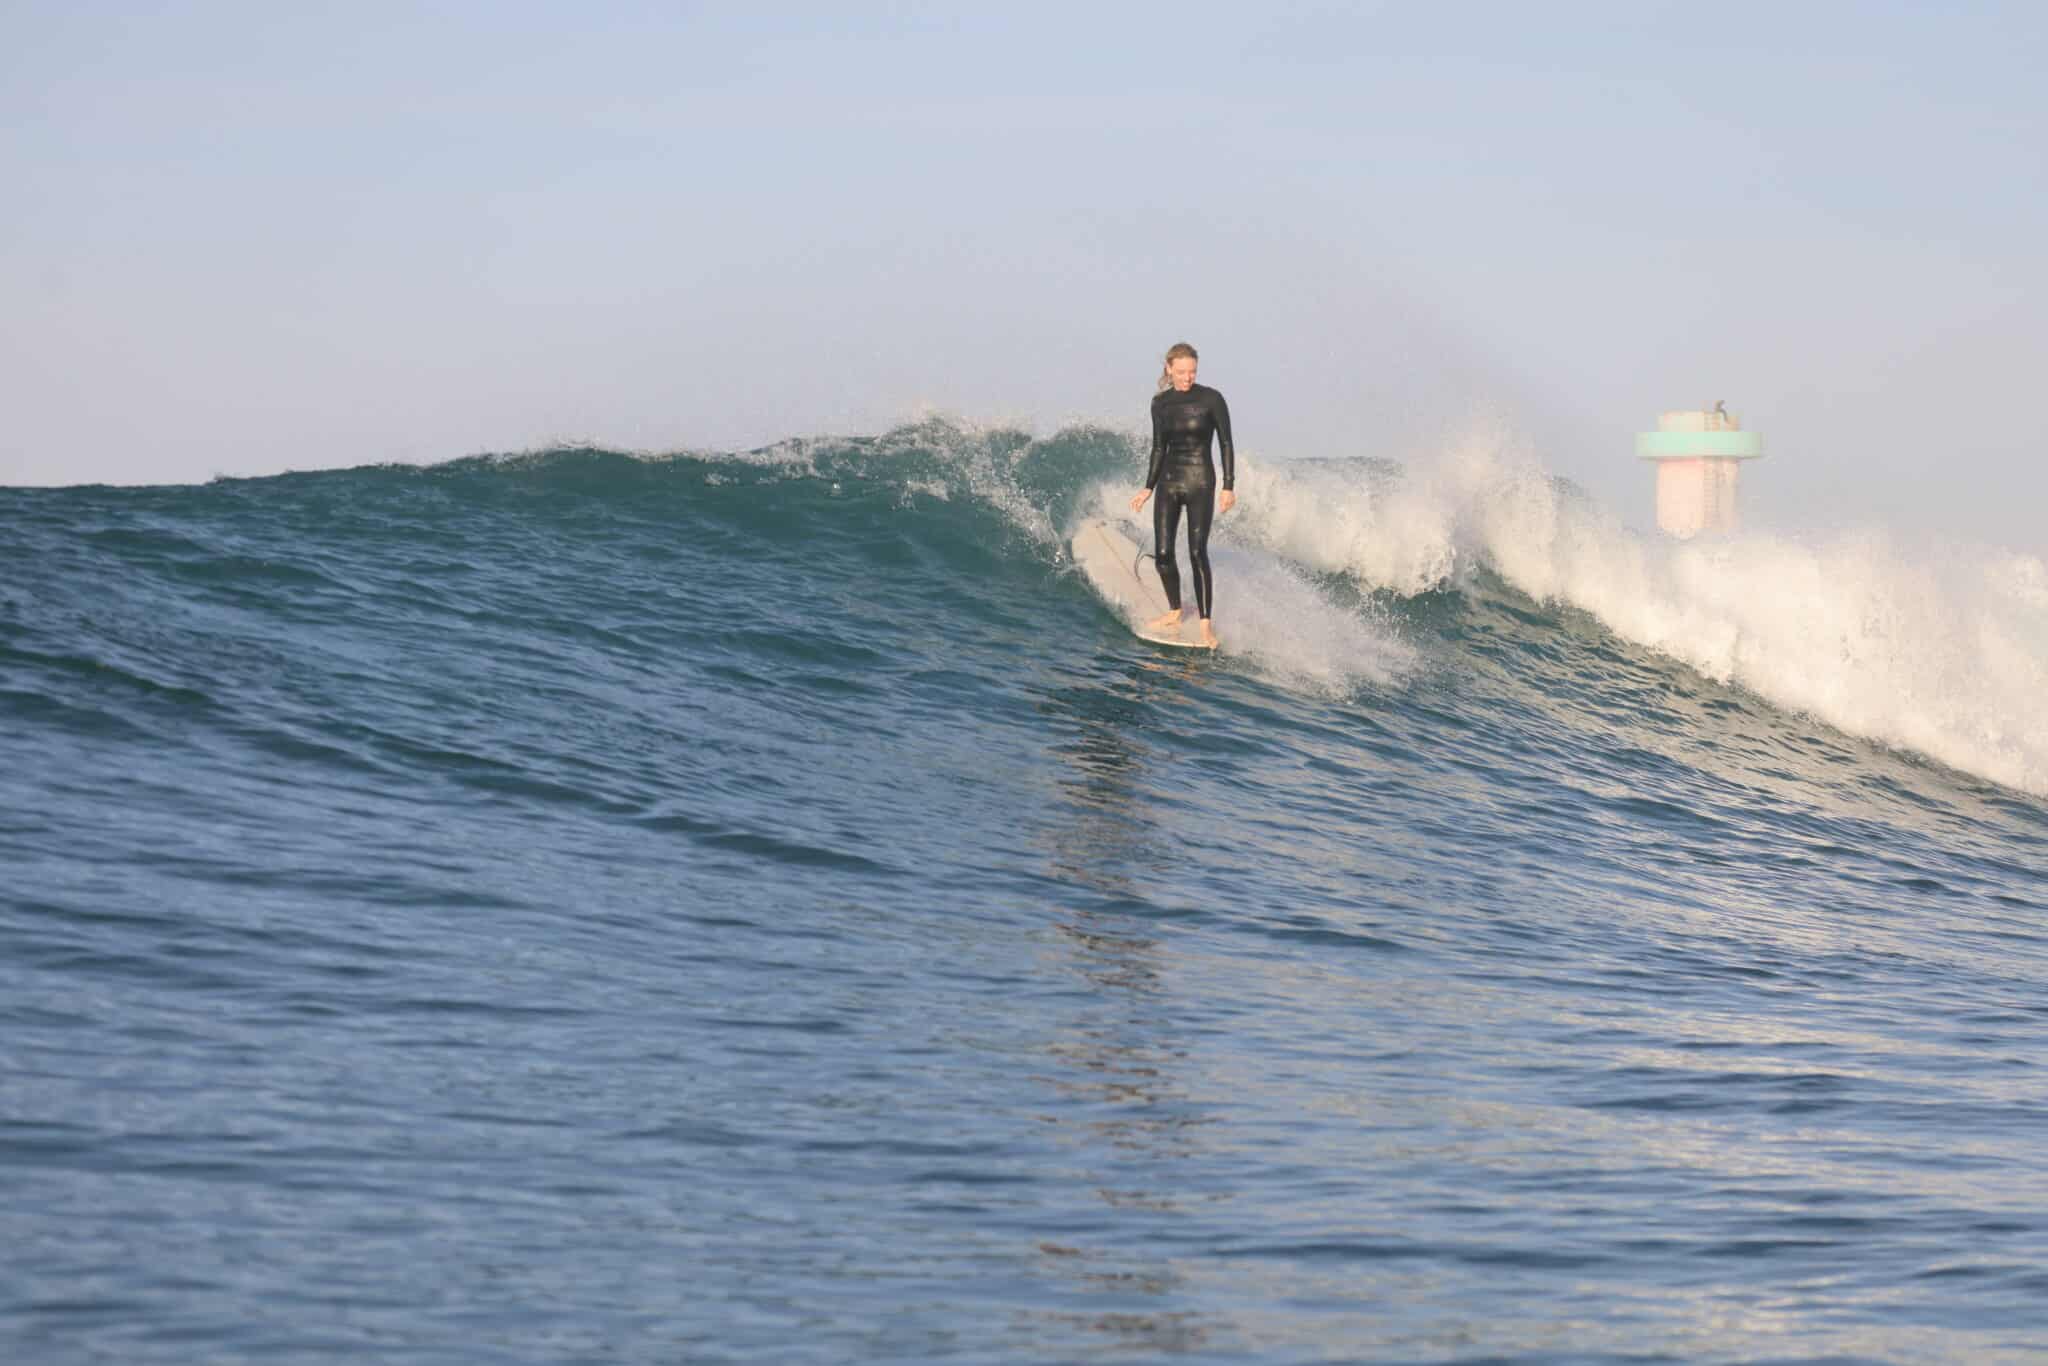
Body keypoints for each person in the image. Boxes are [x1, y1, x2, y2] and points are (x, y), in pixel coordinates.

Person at [1129, 342, 1235, 648]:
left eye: (1192, 372)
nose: (1188, 378)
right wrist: (1147, 487)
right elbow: (1158, 447)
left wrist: (1229, 485)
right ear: (1168, 369)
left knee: (1196, 552)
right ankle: (1175, 609)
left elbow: (1226, 443)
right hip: (1169, 482)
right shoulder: (1160, 403)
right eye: (1182, 372)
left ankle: (1205, 625)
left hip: (1201, 481)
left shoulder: (1211, 399)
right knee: (1163, 555)